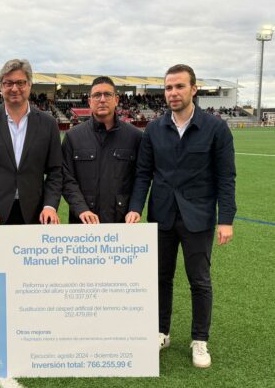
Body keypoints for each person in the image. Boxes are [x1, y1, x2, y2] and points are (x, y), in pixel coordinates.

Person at [125, 64, 236, 368]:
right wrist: (135, 207)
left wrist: (226, 219)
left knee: (199, 280)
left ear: (193, 89)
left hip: (198, 217)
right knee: (161, 277)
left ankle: (200, 340)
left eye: (179, 86)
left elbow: (226, 177)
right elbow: (143, 173)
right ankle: (161, 332)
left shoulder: (216, 129)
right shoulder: (154, 129)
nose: (173, 93)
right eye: (168, 87)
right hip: (161, 215)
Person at [0, 59, 62, 225]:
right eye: (8, 83)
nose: (14, 88)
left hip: (36, 213)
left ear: (29, 85)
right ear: (1, 86)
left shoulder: (48, 123)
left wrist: (50, 206)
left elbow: (56, 171)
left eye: (20, 83)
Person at [62, 76, 141, 224]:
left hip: (123, 223)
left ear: (116, 100)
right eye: (97, 95)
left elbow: (141, 178)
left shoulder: (135, 136)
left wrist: (135, 208)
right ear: (90, 101)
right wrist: (81, 209)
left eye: (107, 94)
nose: (102, 99)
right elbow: (66, 179)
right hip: (83, 224)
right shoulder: (73, 137)